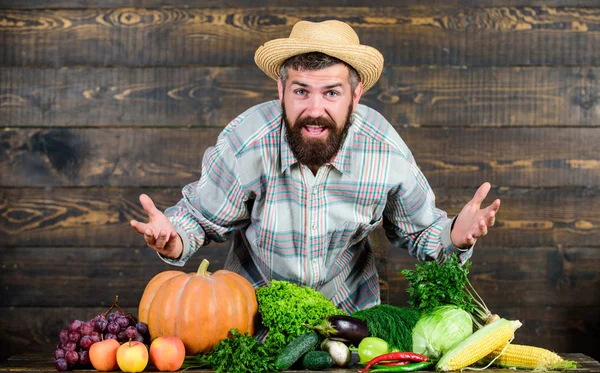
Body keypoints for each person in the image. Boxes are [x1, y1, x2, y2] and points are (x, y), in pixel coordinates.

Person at [130, 20, 500, 313]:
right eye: (301, 90)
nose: (314, 109)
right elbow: (198, 218)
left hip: (350, 323)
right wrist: (173, 238)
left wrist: (455, 235)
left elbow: (421, 234)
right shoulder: (247, 143)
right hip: (251, 317)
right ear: (281, 91)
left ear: (355, 96)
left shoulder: (384, 151)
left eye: (332, 93)